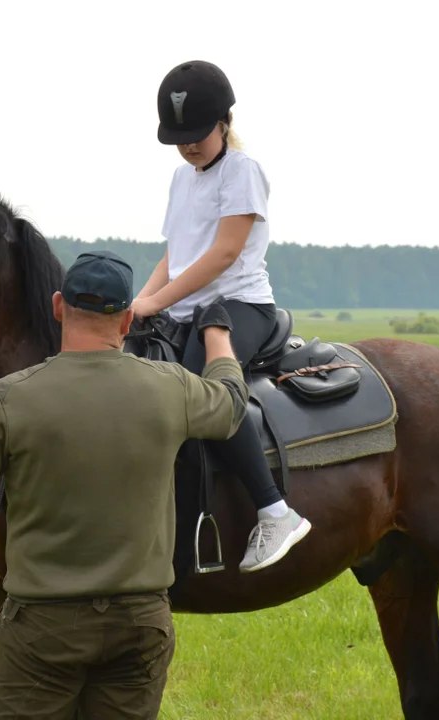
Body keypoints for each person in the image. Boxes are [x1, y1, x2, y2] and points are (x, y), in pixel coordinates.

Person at [0, 250, 251, 720]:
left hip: (43, 628)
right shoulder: (173, 388)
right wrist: (217, 335)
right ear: (126, 321)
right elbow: (231, 406)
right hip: (140, 626)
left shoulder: (10, 399)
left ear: (58, 306)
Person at [132, 60, 311, 572]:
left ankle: (275, 510)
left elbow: (223, 254)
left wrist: (156, 303)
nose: (189, 146)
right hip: (188, 306)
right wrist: (138, 305)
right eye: (179, 137)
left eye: (198, 134)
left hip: (239, 306)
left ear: (225, 122)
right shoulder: (180, 179)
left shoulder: (243, 172)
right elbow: (177, 255)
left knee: (204, 394)